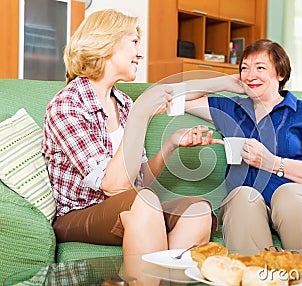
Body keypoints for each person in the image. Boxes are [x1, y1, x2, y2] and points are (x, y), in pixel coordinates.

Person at [42, 9, 220, 259]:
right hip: (77, 214)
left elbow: (139, 181)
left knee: (198, 211)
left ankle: (162, 276)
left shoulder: (124, 103)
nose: (140, 53)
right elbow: (113, 187)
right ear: (105, 44)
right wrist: (140, 115)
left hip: (129, 202)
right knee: (144, 201)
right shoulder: (68, 105)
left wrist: (171, 144)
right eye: (134, 42)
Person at [182, 39, 302, 251]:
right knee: (240, 196)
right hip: (255, 210)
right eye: (244, 69)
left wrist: (271, 163)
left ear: (280, 73)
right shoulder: (231, 109)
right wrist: (226, 82)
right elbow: (177, 99)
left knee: (288, 195)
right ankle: (257, 278)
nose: (250, 75)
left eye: (260, 68)